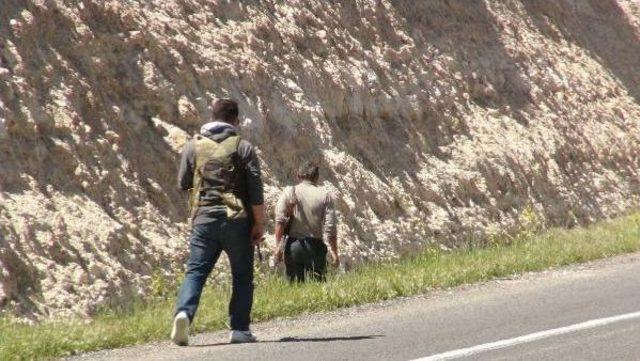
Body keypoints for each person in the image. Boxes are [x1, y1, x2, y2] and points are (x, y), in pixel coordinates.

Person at [171, 98, 265, 346]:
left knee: (196, 272)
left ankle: (183, 314)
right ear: (235, 120)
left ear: (212, 118)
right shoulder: (243, 147)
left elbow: (183, 183)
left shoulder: (194, 146)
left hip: (203, 217)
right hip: (236, 217)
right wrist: (259, 224)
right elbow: (255, 190)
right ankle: (239, 329)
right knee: (242, 274)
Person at [274, 161, 338, 282]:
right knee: (319, 288)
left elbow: (280, 220)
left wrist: (277, 247)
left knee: (294, 288)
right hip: (316, 248)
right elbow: (330, 227)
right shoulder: (325, 195)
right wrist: (334, 252)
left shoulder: (290, 191)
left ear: (298, 176)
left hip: (294, 246)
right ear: (317, 177)